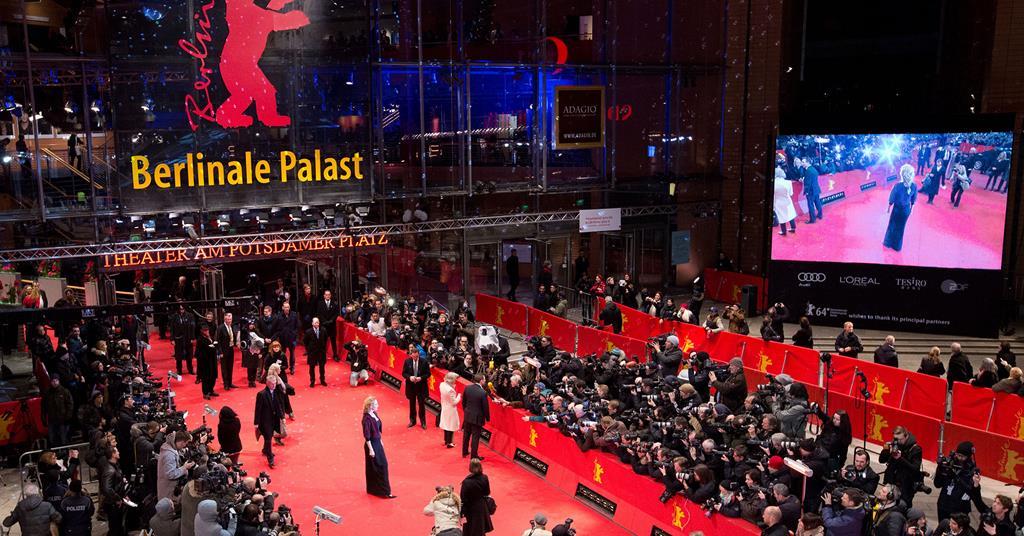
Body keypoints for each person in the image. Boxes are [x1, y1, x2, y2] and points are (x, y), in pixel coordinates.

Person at [879, 426, 924, 507]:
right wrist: (886, 450)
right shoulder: (894, 444)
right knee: (886, 505)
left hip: (905, 486)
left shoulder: (915, 449)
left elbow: (915, 469)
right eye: (896, 439)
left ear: (906, 436)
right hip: (890, 482)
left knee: (903, 506)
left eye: (900, 439)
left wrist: (900, 459)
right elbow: (881, 460)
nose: (898, 442)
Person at [362, 396, 395, 498]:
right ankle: (384, 491)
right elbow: (367, 436)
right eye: (376, 404)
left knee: (382, 465)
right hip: (371, 445)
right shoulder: (366, 419)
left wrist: (380, 441)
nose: (378, 405)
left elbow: (377, 430)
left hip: (377, 443)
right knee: (378, 467)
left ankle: (380, 490)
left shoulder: (375, 414)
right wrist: (371, 450)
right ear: (370, 406)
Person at [884, 164, 918, 251]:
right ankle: (897, 246)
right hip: (906, 210)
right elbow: (913, 200)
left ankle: (888, 242)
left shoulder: (897, 186)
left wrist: (888, 208)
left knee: (892, 225)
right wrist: (911, 210)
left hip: (897, 209)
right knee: (901, 227)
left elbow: (892, 198)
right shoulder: (914, 186)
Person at [157, 431, 196, 501]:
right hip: (168, 492)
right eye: (186, 443)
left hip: (169, 489)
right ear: (182, 442)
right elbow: (170, 474)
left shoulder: (170, 448)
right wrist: (184, 468)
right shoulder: (169, 454)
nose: (185, 446)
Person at [254, 376, 284, 468]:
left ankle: (265, 450)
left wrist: (282, 417)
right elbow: (258, 410)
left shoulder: (275, 392)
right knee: (268, 439)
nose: (274, 385)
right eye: (272, 384)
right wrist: (256, 423)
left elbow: (278, 405)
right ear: (267, 383)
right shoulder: (261, 394)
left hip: (273, 420)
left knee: (269, 436)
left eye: (275, 383)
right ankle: (270, 458)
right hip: (265, 421)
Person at [460, 459, 493, 536]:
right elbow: (487, 492)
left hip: (470, 509)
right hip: (481, 507)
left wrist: (463, 511)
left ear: (470, 467)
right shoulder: (484, 477)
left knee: (471, 530)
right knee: (480, 530)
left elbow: (463, 498)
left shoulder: (466, 482)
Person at [462, 374, 490, 460]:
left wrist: (466, 411)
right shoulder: (483, 393)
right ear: (481, 381)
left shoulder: (467, 388)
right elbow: (485, 407)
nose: (485, 381)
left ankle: (464, 451)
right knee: (475, 437)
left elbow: (463, 402)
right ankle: (473, 456)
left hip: (467, 415)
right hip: (477, 418)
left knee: (466, 435)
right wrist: (487, 418)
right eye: (484, 380)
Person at [403, 343, 431, 428]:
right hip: (411, 387)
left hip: (421, 387)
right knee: (412, 404)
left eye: (416, 356)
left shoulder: (424, 362)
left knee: (421, 405)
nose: (415, 358)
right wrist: (410, 377)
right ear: (411, 355)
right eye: (413, 356)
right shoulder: (407, 361)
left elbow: (428, 374)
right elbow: (404, 373)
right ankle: (412, 421)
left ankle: (423, 422)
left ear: (418, 354)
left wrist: (421, 378)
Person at [42, 375, 74, 447]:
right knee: (52, 439)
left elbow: (70, 405)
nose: (55, 382)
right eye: (53, 381)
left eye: (56, 380)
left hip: (63, 420)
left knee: (63, 439)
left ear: (59, 381)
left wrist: (68, 417)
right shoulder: (47, 393)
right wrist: (43, 417)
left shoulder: (64, 391)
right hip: (52, 420)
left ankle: (64, 451)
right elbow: (43, 407)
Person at [170, 304, 196, 375]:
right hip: (178, 338)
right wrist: (172, 339)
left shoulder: (190, 315)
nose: (181, 310)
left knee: (189, 355)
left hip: (188, 338)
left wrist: (192, 337)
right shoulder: (174, 316)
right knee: (178, 356)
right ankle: (179, 370)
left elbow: (193, 327)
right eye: (180, 309)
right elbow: (172, 328)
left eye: (182, 309)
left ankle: (190, 369)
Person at [315, 290, 340, 361]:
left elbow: (336, 313)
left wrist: (331, 320)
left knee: (333, 341)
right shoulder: (320, 304)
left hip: (332, 325)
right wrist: (324, 321)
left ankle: (335, 355)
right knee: (323, 342)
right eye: (326, 295)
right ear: (324, 296)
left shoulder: (334, 303)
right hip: (324, 325)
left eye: (329, 295)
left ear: (330, 295)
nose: (327, 296)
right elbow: (319, 313)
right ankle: (323, 356)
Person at [303, 317, 328, 388]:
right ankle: (312, 381)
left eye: (318, 322)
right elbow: (305, 341)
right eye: (315, 322)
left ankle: (322, 380)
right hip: (312, 352)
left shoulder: (323, 330)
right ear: (312, 323)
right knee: (312, 367)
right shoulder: (308, 332)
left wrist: (323, 348)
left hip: (321, 351)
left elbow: (326, 339)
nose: (317, 324)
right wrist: (308, 349)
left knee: (322, 367)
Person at [216, 312, 238, 390]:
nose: (229, 321)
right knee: (224, 368)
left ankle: (230, 383)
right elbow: (218, 341)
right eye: (228, 319)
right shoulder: (220, 328)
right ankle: (226, 384)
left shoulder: (231, 326)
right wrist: (220, 352)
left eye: (230, 319)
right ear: (224, 319)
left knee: (230, 367)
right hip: (223, 351)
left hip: (230, 350)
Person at [440, 372, 462, 448]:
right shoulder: (450, 390)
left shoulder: (442, 385)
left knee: (446, 425)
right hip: (451, 409)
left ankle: (446, 440)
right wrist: (459, 396)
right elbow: (454, 402)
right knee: (451, 426)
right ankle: (450, 443)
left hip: (444, 407)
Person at [196, 325, 219, 399]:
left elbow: (216, 345)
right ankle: (205, 393)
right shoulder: (200, 339)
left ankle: (211, 390)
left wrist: (213, 345)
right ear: (202, 331)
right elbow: (208, 348)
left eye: (207, 330)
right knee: (206, 378)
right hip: (205, 362)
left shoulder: (210, 337)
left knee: (213, 376)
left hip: (212, 360)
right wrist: (213, 346)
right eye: (205, 331)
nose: (207, 332)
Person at [774, 167, 797, 235]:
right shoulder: (788, 182)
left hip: (778, 202)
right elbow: (791, 194)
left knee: (781, 217)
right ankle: (793, 228)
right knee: (790, 214)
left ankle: (783, 231)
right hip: (787, 201)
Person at [800, 158, 823, 224]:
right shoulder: (813, 169)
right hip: (816, 189)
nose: (802, 163)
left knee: (810, 205)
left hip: (810, 191)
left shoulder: (808, 171)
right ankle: (820, 215)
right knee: (817, 202)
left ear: (807, 162)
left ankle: (812, 219)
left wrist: (806, 191)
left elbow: (808, 183)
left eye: (803, 162)